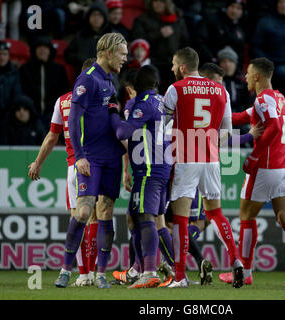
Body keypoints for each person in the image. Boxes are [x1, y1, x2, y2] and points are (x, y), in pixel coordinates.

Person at [220, 57, 285, 287]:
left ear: (257, 76)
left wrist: (254, 156)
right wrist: (218, 118)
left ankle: (245, 273)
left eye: (248, 73)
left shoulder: (263, 98)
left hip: (268, 166)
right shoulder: (277, 97)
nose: (245, 77)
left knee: (246, 216)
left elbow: (274, 126)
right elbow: (243, 117)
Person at [163, 47, 244, 288]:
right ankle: (237, 260)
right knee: (215, 213)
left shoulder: (175, 88)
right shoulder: (221, 90)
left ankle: (179, 277)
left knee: (180, 217)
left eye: (173, 64)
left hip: (186, 157)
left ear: (183, 67)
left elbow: (161, 125)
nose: (172, 68)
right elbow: (228, 131)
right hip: (211, 158)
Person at [54, 32, 128, 289]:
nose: (125, 58)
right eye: (122, 53)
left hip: (112, 158)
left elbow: (111, 116)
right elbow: (73, 120)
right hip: (91, 158)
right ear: (108, 53)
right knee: (84, 210)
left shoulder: (109, 80)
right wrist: (80, 156)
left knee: (106, 212)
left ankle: (100, 274)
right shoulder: (87, 79)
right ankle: (65, 268)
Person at [28, 58, 99, 287]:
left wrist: (38, 162)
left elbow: (52, 137)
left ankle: (81, 272)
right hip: (98, 164)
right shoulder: (104, 98)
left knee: (76, 219)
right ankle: (93, 273)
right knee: (96, 218)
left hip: (74, 165)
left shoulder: (64, 101)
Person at [109, 64, 173, 288]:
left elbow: (122, 132)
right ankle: (139, 269)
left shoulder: (143, 104)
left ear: (135, 86)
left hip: (149, 168)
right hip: (161, 166)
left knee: (146, 218)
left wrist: (113, 114)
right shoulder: (162, 100)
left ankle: (150, 271)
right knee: (136, 216)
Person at [131, 0, 190, 93]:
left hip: (173, 65)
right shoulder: (142, 20)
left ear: (168, 3)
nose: (158, 4)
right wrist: (159, 34)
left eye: (161, 1)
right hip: (152, 63)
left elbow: (185, 42)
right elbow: (138, 42)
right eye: (155, 1)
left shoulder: (178, 21)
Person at [20, 36, 70, 130]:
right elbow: (21, 92)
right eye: (39, 47)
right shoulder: (25, 69)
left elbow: (65, 92)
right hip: (30, 113)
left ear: (50, 51)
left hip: (54, 113)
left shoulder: (59, 69)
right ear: (34, 50)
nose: (42, 50)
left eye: (45, 47)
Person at [195, 0, 247, 69]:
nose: (234, 11)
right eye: (232, 6)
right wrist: (212, 59)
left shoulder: (240, 29)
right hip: (209, 66)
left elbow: (240, 53)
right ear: (226, 7)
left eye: (238, 8)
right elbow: (199, 40)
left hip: (231, 71)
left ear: (242, 12)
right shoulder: (211, 20)